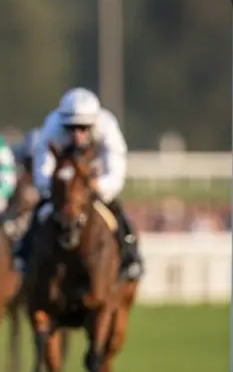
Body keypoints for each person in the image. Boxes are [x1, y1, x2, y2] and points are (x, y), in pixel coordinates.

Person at [13, 87, 143, 281]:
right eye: (72, 128)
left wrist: (96, 187)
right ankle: (24, 253)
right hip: (65, 181)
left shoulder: (107, 128)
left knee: (117, 214)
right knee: (40, 212)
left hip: (95, 178)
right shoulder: (52, 127)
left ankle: (130, 258)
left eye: (83, 128)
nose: (77, 134)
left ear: (93, 124)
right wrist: (55, 188)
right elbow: (43, 169)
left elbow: (115, 172)